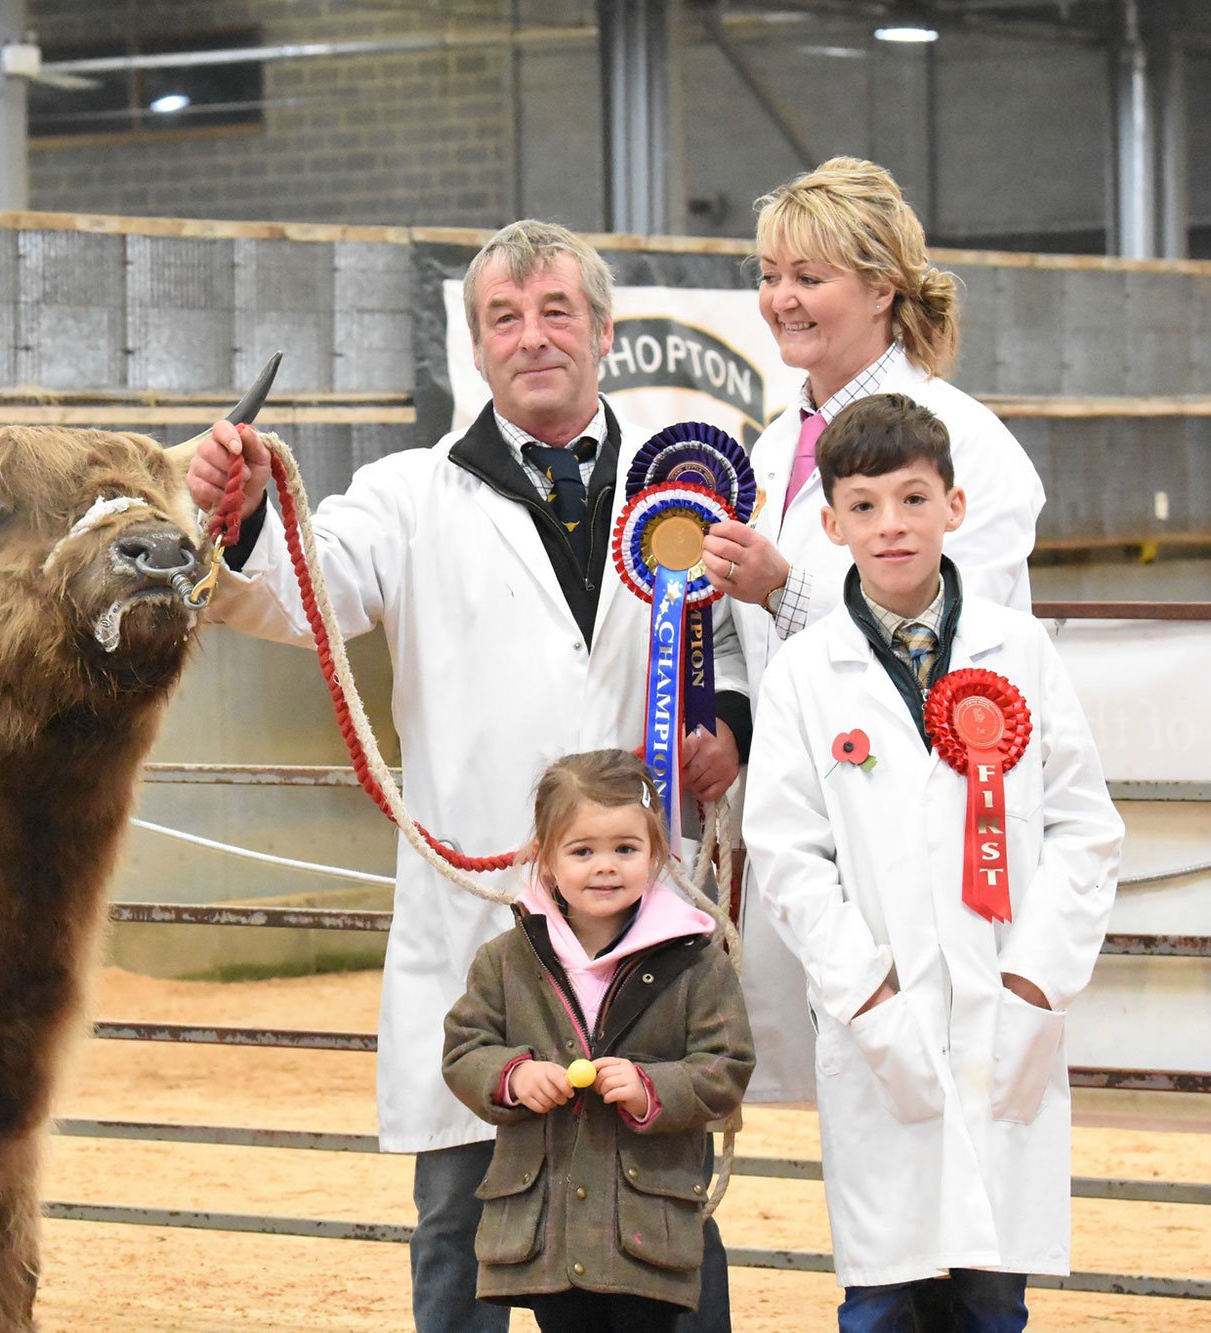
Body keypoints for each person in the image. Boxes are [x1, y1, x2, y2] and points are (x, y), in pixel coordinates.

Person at [190, 220, 746, 1332]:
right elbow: (304, 590)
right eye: (504, 317)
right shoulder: (407, 496)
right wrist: (242, 514)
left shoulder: (684, 486)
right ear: (474, 345)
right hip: (480, 919)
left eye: (553, 312)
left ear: (599, 330)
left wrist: (726, 724)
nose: (531, 337)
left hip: (634, 923)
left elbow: (726, 643)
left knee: (662, 1207)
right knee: (460, 1221)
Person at [744, 394, 1122, 1330]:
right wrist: (868, 998)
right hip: (880, 1025)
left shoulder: (1019, 651)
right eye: (864, 506)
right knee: (881, 1297)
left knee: (992, 1300)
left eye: (914, 499)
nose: (892, 525)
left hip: (1004, 1018)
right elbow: (789, 854)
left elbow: (1085, 828)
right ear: (830, 525)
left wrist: (1033, 983)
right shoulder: (803, 673)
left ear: (955, 506)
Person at [701, 157, 1046, 1105]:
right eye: (769, 276)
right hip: (803, 828)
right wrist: (727, 719)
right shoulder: (770, 450)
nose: (781, 299)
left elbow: (974, 635)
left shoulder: (966, 441)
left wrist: (788, 588)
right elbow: (747, 631)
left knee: (928, 1088)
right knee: (844, 1104)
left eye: (809, 277)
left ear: (883, 286)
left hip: (918, 825)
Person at [443, 750, 753, 1332]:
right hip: (547, 1230)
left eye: (625, 849)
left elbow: (727, 1064)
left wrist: (651, 1088)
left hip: (647, 1226)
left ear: (657, 853)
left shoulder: (696, 962)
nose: (604, 867)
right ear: (545, 858)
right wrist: (512, 1077)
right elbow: (465, 1049)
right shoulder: (506, 961)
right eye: (582, 851)